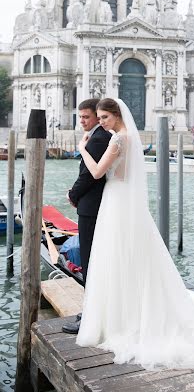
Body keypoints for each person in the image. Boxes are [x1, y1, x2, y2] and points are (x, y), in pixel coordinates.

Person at [76, 98, 194, 369]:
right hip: (123, 199)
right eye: (98, 117)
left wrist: (83, 148)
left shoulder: (118, 141)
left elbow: (98, 171)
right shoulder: (128, 139)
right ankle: (128, 313)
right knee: (128, 255)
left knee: (114, 255)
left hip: (116, 199)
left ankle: (119, 317)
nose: (100, 122)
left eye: (103, 117)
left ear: (115, 115)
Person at [62, 99, 111, 334]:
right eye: (80, 117)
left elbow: (90, 176)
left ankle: (92, 316)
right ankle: (92, 308)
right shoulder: (98, 136)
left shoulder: (99, 138)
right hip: (94, 205)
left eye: (86, 117)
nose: (82, 121)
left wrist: (73, 195)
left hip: (91, 207)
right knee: (92, 258)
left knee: (90, 259)